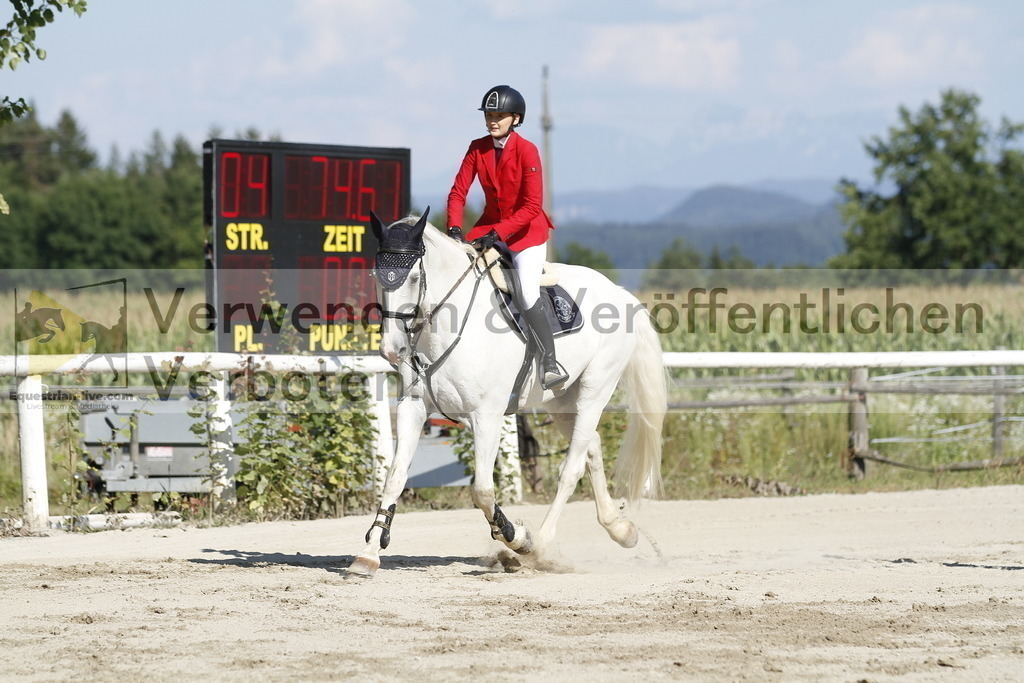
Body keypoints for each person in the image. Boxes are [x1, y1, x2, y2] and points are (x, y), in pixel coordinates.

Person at [446, 84, 568, 390]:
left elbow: (531, 206)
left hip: (526, 231)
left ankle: (549, 361)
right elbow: (459, 192)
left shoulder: (528, 150)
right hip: (489, 227)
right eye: (489, 114)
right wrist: (454, 229)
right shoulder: (477, 147)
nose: (492, 120)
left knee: (527, 292)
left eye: (499, 115)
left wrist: (497, 233)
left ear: (515, 118)